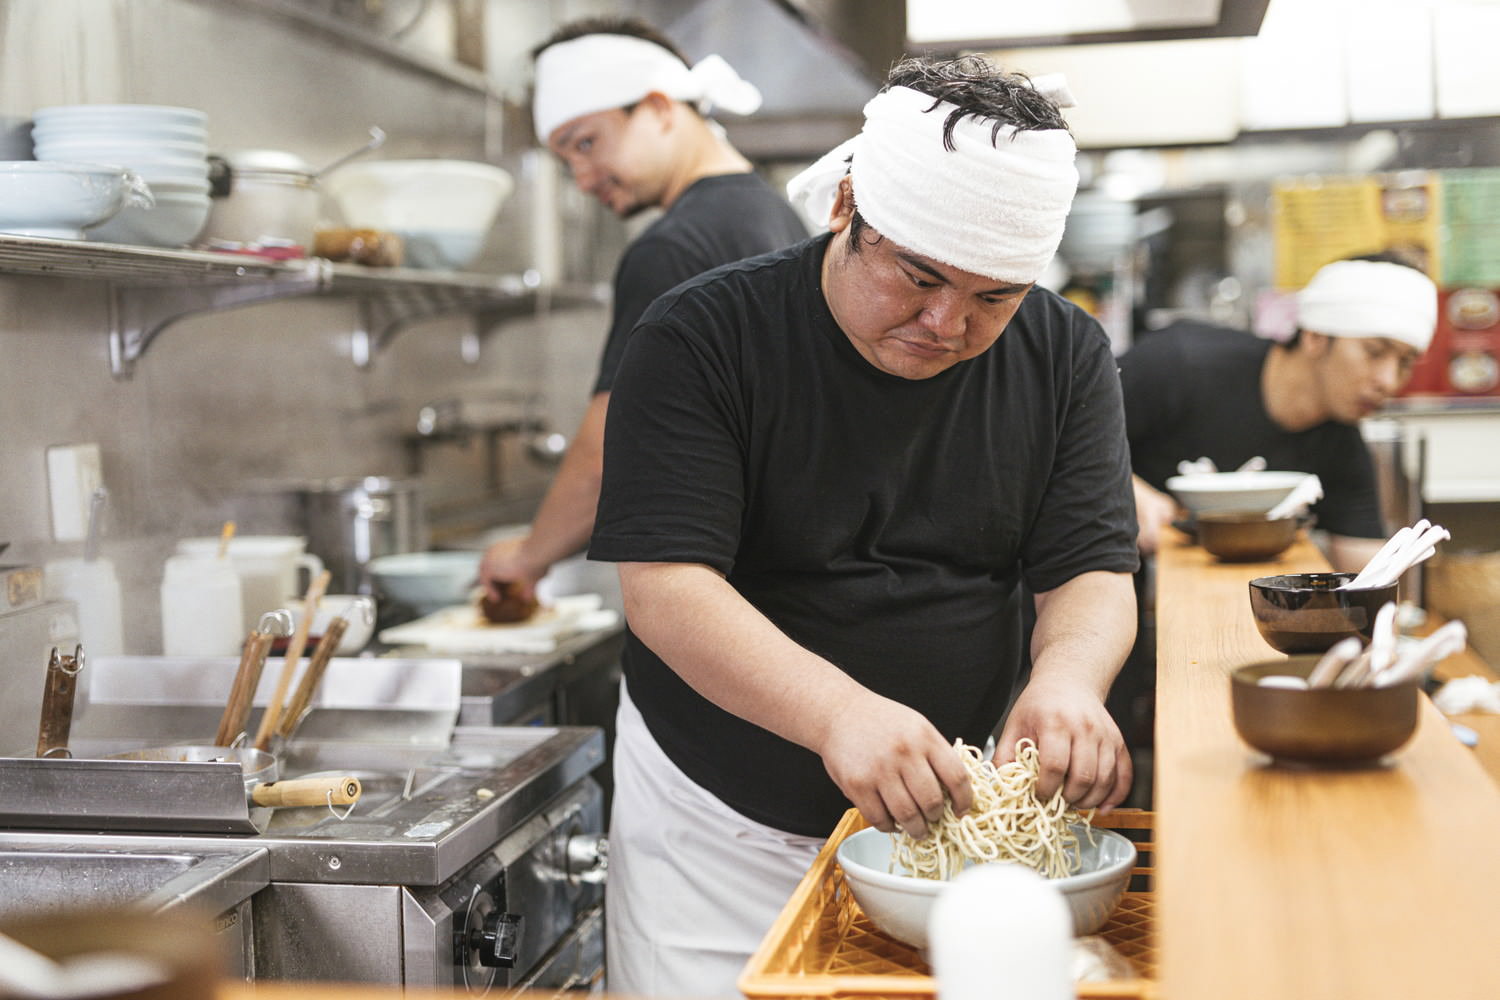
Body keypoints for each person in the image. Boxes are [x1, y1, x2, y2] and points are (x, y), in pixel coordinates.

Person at [589, 55, 1141, 997]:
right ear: (848, 203)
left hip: (952, 830)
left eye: (993, 297)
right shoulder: (702, 337)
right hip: (720, 825)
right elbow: (665, 590)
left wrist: (1068, 681)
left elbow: (1088, 566)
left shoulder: (1065, 351)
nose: (946, 323)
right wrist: (837, 712)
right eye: (919, 276)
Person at [479, 18, 808, 602]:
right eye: (566, 160)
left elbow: (613, 445)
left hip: (712, 604)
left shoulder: (672, 249)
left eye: (586, 142)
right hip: (781, 591)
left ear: (659, 107)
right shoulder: (772, 215)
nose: (581, 179)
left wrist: (528, 558)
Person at [1122, 255, 1438, 569]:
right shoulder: (1179, 363)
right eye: (1374, 352)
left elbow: (1368, 572)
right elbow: (1072, 428)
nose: (1389, 381)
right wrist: (1124, 486)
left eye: (1405, 363)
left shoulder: (1339, 444)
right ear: (1315, 337)